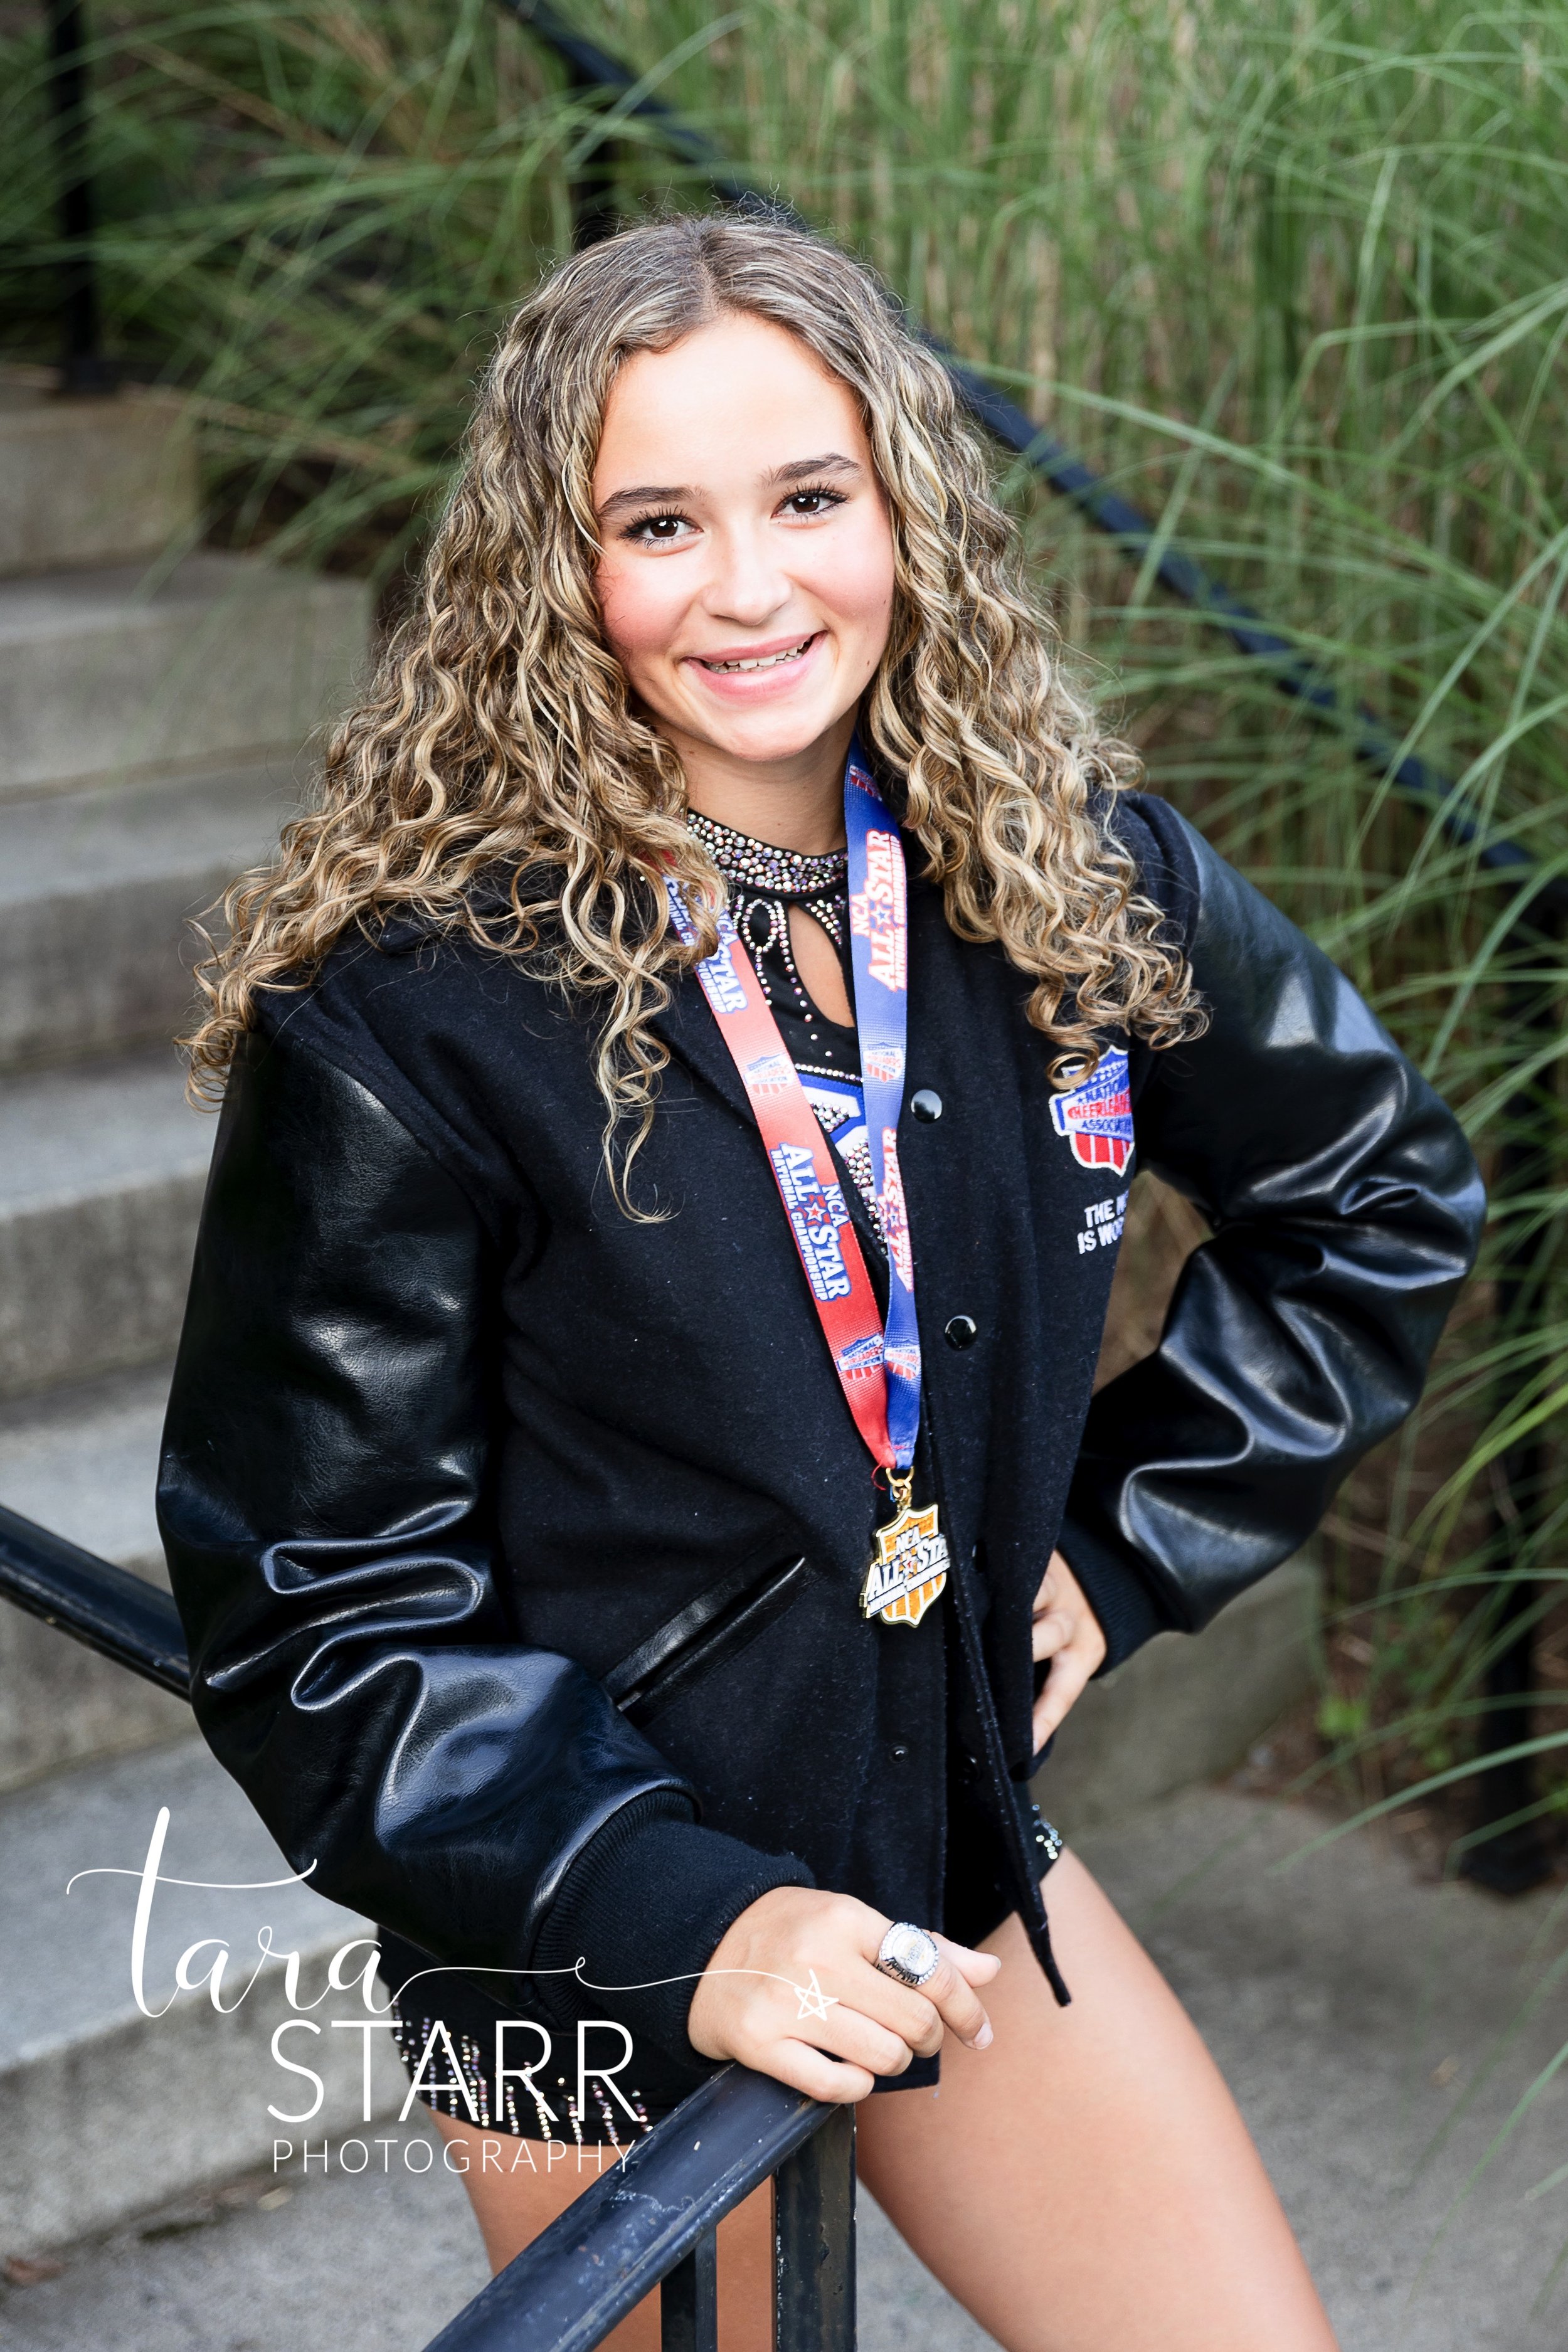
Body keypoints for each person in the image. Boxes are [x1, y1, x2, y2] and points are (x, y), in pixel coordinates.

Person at [157, 211, 1483, 2352]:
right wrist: (696, 1915)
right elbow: (319, 1606)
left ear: (904, 505)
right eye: (657, 521)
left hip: (940, 1814)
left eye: (807, 498)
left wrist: (1123, 1542)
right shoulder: (402, 1010)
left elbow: (1376, 1195)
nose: (751, 587)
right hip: (599, 1912)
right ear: (551, 572)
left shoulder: (1067, 871)